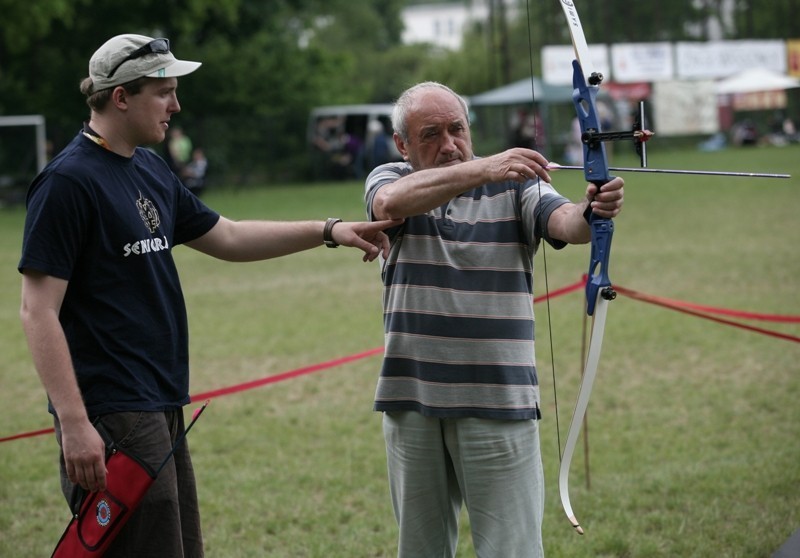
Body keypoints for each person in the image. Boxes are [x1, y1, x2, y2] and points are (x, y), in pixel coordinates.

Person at [18, 33, 399, 558]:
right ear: (121, 96)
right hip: (111, 410)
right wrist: (75, 423)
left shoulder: (149, 168)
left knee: (175, 545)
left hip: (160, 400)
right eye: (164, 92)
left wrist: (328, 230)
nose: (176, 105)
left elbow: (229, 237)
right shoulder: (67, 182)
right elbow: (38, 310)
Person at [364, 81, 624, 558]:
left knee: (512, 549)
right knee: (420, 550)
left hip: (498, 400)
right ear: (403, 145)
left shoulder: (516, 183)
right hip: (411, 398)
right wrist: (484, 167)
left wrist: (594, 210)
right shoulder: (390, 177)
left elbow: (566, 221)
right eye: (431, 134)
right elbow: (389, 205)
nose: (449, 144)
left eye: (457, 129)